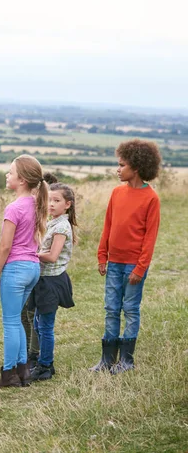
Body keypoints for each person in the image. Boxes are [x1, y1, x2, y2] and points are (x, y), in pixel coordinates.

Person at [90, 139, 162, 374]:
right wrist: (102, 256)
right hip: (114, 263)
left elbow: (149, 239)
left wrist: (140, 268)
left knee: (130, 309)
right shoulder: (116, 193)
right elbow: (108, 226)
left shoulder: (151, 199)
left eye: (121, 165)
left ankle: (126, 361)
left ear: (137, 167)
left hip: (133, 266)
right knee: (111, 309)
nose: (117, 169)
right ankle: (107, 360)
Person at [0, 155, 47, 389]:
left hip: (15, 269)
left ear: (22, 180)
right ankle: (23, 371)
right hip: (32, 268)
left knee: (11, 322)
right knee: (17, 321)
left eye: (11, 172)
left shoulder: (14, 208)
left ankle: (8, 374)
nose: (7, 175)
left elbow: (5, 246)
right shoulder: (37, 204)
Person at [30, 183, 76, 381]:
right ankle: (44, 360)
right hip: (43, 280)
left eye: (57, 201)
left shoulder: (62, 227)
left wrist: (31, 254)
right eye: (49, 200)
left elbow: (52, 256)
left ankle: (46, 366)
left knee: (45, 325)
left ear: (67, 204)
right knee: (38, 322)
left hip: (52, 281)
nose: (51, 204)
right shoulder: (52, 222)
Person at [21, 171, 58, 368]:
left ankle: (34, 354)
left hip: (41, 272)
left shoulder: (52, 221)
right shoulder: (30, 210)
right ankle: (27, 351)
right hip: (29, 267)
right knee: (25, 313)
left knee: (33, 314)